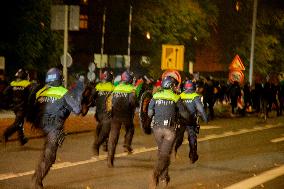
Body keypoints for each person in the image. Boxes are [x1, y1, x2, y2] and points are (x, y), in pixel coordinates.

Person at [31, 68, 82, 189]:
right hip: (54, 128)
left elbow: (34, 109)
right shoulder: (63, 92)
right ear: (58, 79)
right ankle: (37, 180)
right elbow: (77, 110)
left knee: (47, 151)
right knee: (50, 156)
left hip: (43, 127)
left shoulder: (41, 92)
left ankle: (38, 174)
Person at [147, 76, 190, 189]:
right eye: (174, 85)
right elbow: (184, 114)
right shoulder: (175, 97)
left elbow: (149, 113)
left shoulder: (155, 96)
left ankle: (164, 177)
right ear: (171, 86)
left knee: (162, 153)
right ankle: (155, 175)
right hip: (169, 130)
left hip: (156, 129)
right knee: (165, 155)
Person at [107, 70, 137, 168]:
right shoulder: (131, 89)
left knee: (113, 137)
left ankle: (110, 160)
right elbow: (132, 102)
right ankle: (127, 145)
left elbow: (110, 101)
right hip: (126, 115)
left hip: (115, 115)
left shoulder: (116, 88)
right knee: (130, 129)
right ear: (130, 79)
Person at [174, 80, 208, 163]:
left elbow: (175, 108)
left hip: (181, 120)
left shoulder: (180, 95)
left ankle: (174, 149)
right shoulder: (195, 96)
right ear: (193, 87)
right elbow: (200, 108)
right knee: (192, 137)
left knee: (179, 136)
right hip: (191, 120)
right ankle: (193, 155)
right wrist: (205, 118)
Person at [2, 68, 33, 146]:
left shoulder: (13, 83)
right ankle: (6, 134)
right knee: (18, 123)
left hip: (15, 107)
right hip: (22, 107)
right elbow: (32, 95)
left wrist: (9, 102)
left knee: (20, 122)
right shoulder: (27, 84)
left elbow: (5, 93)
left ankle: (22, 139)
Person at [92, 70, 114, 156]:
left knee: (102, 126)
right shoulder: (112, 88)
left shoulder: (98, 86)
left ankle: (105, 144)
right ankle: (97, 145)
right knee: (106, 129)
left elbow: (93, 96)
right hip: (107, 113)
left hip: (98, 113)